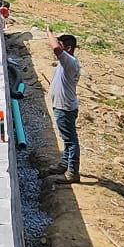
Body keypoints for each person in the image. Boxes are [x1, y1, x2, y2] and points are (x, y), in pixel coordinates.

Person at [46, 27, 82, 181]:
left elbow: (55, 48)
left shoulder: (69, 61)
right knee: (66, 138)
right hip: (63, 106)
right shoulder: (67, 61)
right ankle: (65, 163)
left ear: (68, 48)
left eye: (61, 45)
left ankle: (73, 172)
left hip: (65, 108)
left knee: (70, 140)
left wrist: (49, 32)